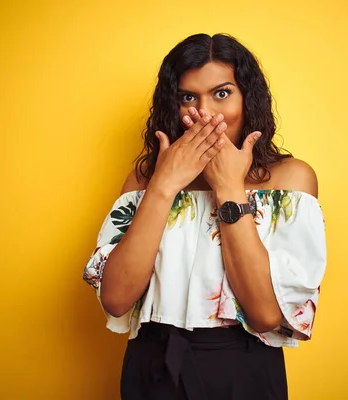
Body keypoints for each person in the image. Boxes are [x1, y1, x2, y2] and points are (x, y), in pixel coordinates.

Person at [83, 33, 327, 400]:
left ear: (248, 99)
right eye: (188, 97)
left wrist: (228, 187)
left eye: (222, 93)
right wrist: (164, 186)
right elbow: (116, 299)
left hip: (242, 371)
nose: (205, 112)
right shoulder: (146, 182)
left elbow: (264, 315)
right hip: (152, 366)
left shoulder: (290, 181)